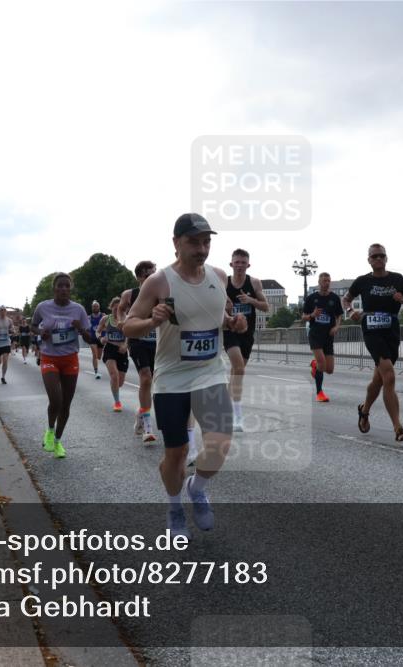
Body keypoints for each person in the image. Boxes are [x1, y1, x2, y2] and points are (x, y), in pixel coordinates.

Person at [122, 213, 247, 539]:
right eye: (194, 241)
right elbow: (128, 324)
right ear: (176, 243)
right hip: (172, 378)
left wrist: (232, 322)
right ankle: (175, 506)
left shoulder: (218, 276)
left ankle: (198, 487)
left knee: (220, 443)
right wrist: (151, 321)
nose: (202, 248)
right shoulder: (159, 282)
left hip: (209, 372)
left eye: (206, 241)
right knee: (175, 454)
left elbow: (217, 312)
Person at [343, 244, 403, 441]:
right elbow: (346, 299)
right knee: (389, 376)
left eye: (381, 256)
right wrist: (350, 312)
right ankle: (398, 428)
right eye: (374, 256)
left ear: (386, 258)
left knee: (379, 379)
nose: (378, 259)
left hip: (391, 330)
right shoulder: (362, 281)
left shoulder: (397, 279)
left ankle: (364, 411)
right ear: (369, 260)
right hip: (371, 330)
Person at [32, 273, 96, 457]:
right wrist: (41, 333)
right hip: (50, 357)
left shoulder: (79, 310)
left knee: (66, 404)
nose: (64, 289)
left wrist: (81, 329)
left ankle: (58, 442)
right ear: (54, 289)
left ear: (70, 289)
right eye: (60, 286)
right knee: (56, 399)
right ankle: (50, 430)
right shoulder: (43, 307)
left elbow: (90, 337)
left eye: (67, 286)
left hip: (70, 359)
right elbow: (33, 325)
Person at [223, 249, 268, 431]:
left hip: (247, 333)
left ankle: (225, 409)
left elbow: (265, 307)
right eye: (237, 262)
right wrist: (226, 310)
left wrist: (250, 300)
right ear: (231, 264)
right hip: (229, 330)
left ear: (248, 265)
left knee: (236, 372)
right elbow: (214, 305)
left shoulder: (254, 282)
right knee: (239, 368)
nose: (240, 265)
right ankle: (238, 417)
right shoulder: (223, 283)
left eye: (243, 262)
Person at [119, 260, 159, 444]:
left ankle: (141, 414)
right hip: (137, 341)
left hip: (156, 342)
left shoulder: (161, 293)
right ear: (139, 277)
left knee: (155, 383)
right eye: (147, 275)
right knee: (146, 378)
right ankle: (149, 429)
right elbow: (119, 309)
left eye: (154, 274)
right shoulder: (130, 294)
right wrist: (121, 321)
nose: (152, 278)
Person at [302, 272, 343, 402]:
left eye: (328, 280)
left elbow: (338, 316)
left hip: (328, 336)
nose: (326, 283)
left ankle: (315, 365)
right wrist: (312, 315)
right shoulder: (311, 298)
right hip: (315, 334)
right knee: (322, 363)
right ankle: (319, 393)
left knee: (329, 369)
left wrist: (336, 327)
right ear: (319, 282)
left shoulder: (334, 298)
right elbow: (303, 317)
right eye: (324, 280)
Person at [97, 297, 129, 412]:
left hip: (122, 351)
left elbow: (131, 334)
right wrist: (101, 338)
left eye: (120, 309)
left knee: (119, 382)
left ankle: (114, 387)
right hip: (110, 349)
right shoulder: (106, 319)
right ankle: (117, 402)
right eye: (115, 309)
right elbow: (98, 331)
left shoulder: (127, 319)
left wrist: (126, 345)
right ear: (111, 308)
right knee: (114, 375)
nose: (117, 311)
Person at [88, 301, 104, 379]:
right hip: (92, 338)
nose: (95, 308)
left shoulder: (103, 316)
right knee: (94, 354)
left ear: (99, 307)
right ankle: (96, 372)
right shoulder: (89, 317)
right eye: (94, 306)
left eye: (96, 306)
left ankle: (96, 369)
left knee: (99, 356)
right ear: (92, 308)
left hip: (100, 338)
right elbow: (86, 327)